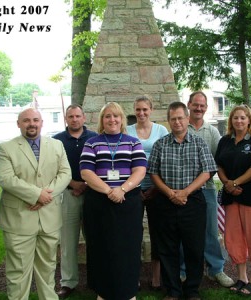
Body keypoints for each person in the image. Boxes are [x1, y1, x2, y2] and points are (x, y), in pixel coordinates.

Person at [0, 108, 71, 300]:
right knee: (18, 272)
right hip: (18, 219)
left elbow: (65, 174)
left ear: (42, 122)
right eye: (27, 120)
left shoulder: (56, 145)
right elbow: (6, 179)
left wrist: (47, 197)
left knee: (48, 268)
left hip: (49, 218)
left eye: (36, 120)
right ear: (19, 124)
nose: (32, 124)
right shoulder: (6, 148)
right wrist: (37, 195)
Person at [148, 101, 217, 300]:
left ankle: (192, 290)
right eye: (173, 119)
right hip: (166, 201)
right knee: (168, 249)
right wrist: (170, 193)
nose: (177, 122)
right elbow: (153, 173)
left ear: (187, 119)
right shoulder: (160, 144)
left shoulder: (199, 143)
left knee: (194, 248)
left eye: (180, 118)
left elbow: (207, 171)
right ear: (168, 121)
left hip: (193, 201)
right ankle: (172, 291)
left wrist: (186, 192)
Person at [80, 102, 147, 300]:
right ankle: (103, 292)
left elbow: (140, 170)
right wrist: (109, 190)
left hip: (128, 202)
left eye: (116, 116)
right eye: (107, 116)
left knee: (128, 248)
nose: (112, 120)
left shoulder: (133, 142)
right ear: (102, 120)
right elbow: (86, 171)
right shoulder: (92, 143)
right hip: (99, 203)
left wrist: (122, 189)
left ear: (122, 119)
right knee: (102, 247)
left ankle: (128, 293)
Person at [214, 104, 251, 296]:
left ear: (249, 119)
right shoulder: (225, 141)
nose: (239, 121)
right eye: (235, 118)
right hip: (231, 197)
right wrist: (228, 183)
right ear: (231, 121)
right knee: (234, 238)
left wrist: (235, 183)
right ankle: (242, 277)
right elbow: (219, 165)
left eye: (243, 118)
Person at [185, 91, 234, 287]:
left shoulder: (212, 132)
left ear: (206, 108)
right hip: (182, 190)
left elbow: (215, 164)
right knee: (183, 231)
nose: (198, 108)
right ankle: (182, 270)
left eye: (202, 106)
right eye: (195, 104)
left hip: (206, 189)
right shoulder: (181, 126)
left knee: (211, 232)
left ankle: (216, 270)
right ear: (189, 104)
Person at [53, 105, 97, 298]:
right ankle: (68, 282)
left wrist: (86, 184)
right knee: (68, 241)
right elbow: (53, 168)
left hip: (93, 195)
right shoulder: (56, 141)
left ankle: (96, 279)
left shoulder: (95, 138)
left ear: (84, 117)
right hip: (68, 194)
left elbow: (101, 165)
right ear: (66, 118)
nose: (74, 119)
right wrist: (73, 183)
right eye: (70, 116)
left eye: (78, 116)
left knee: (95, 239)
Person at [126, 95, 168, 290]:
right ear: (134, 111)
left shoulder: (161, 130)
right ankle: (133, 275)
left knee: (158, 232)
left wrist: (154, 188)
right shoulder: (126, 131)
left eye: (145, 109)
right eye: (138, 110)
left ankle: (156, 277)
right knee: (132, 232)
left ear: (151, 110)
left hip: (157, 189)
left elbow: (167, 160)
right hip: (132, 189)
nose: (141, 113)